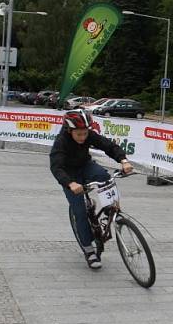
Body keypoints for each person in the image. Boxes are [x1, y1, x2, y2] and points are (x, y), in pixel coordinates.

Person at [50, 109, 134, 270]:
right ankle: (89, 251)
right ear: (69, 130)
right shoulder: (61, 141)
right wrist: (70, 184)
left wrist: (123, 161)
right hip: (69, 175)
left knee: (104, 176)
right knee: (80, 212)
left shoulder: (88, 134)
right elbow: (56, 167)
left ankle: (111, 207)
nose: (83, 137)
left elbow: (108, 146)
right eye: (79, 134)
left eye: (85, 133)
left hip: (85, 166)